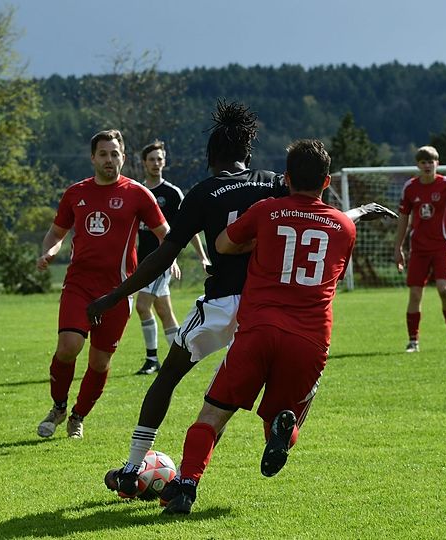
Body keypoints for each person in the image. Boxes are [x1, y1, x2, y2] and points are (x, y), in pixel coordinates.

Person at [90, 101, 394, 499]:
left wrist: (116, 294)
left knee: (170, 378)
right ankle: (233, 453)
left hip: (222, 304)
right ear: (248, 155)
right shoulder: (273, 184)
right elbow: (313, 214)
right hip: (267, 306)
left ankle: (134, 468)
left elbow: (165, 254)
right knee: (234, 399)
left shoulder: (203, 192)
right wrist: (357, 212)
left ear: (210, 158)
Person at [161, 139, 361, 514]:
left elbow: (223, 244)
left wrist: (260, 243)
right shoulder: (344, 227)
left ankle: (186, 485)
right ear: (327, 181)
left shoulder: (267, 210)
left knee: (212, 414)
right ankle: (282, 431)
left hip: (259, 328)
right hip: (309, 338)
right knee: (283, 417)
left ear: (286, 178)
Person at [36, 129, 168, 440]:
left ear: (123, 157)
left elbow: (166, 234)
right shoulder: (75, 193)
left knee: (99, 361)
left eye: (115, 154)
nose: (109, 159)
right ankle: (58, 407)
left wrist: (170, 258)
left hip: (118, 292)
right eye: (103, 154)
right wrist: (50, 251)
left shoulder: (138, 194)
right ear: (93, 158)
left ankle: (78, 416)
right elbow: (56, 233)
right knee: (68, 347)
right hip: (79, 285)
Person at [133, 140, 209, 375]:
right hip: (143, 261)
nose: (156, 163)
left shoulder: (172, 193)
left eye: (159, 159)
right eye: (151, 159)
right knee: (164, 313)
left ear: (164, 162)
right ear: (144, 163)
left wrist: (202, 256)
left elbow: (189, 227)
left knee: (142, 305)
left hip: (162, 261)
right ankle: (182, 359)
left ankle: (152, 359)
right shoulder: (137, 192)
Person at [393, 145, 446, 353]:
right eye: (423, 162)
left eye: (431, 162)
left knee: (444, 289)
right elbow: (403, 219)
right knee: (415, 294)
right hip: (419, 249)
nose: (427, 165)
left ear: (437, 164)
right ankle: (413, 341)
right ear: (418, 165)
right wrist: (398, 247)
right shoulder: (410, 188)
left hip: (442, 246)